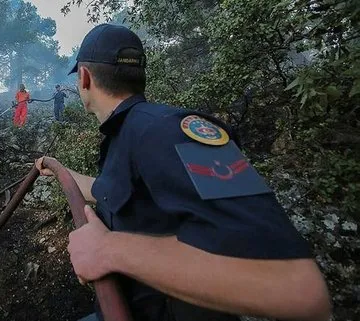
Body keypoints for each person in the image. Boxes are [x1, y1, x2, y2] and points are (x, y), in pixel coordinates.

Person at [35, 24, 331, 321]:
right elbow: (107, 190)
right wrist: (58, 168)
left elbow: (297, 288)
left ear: (84, 77)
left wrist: (109, 250)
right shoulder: (126, 136)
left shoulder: (166, 130)